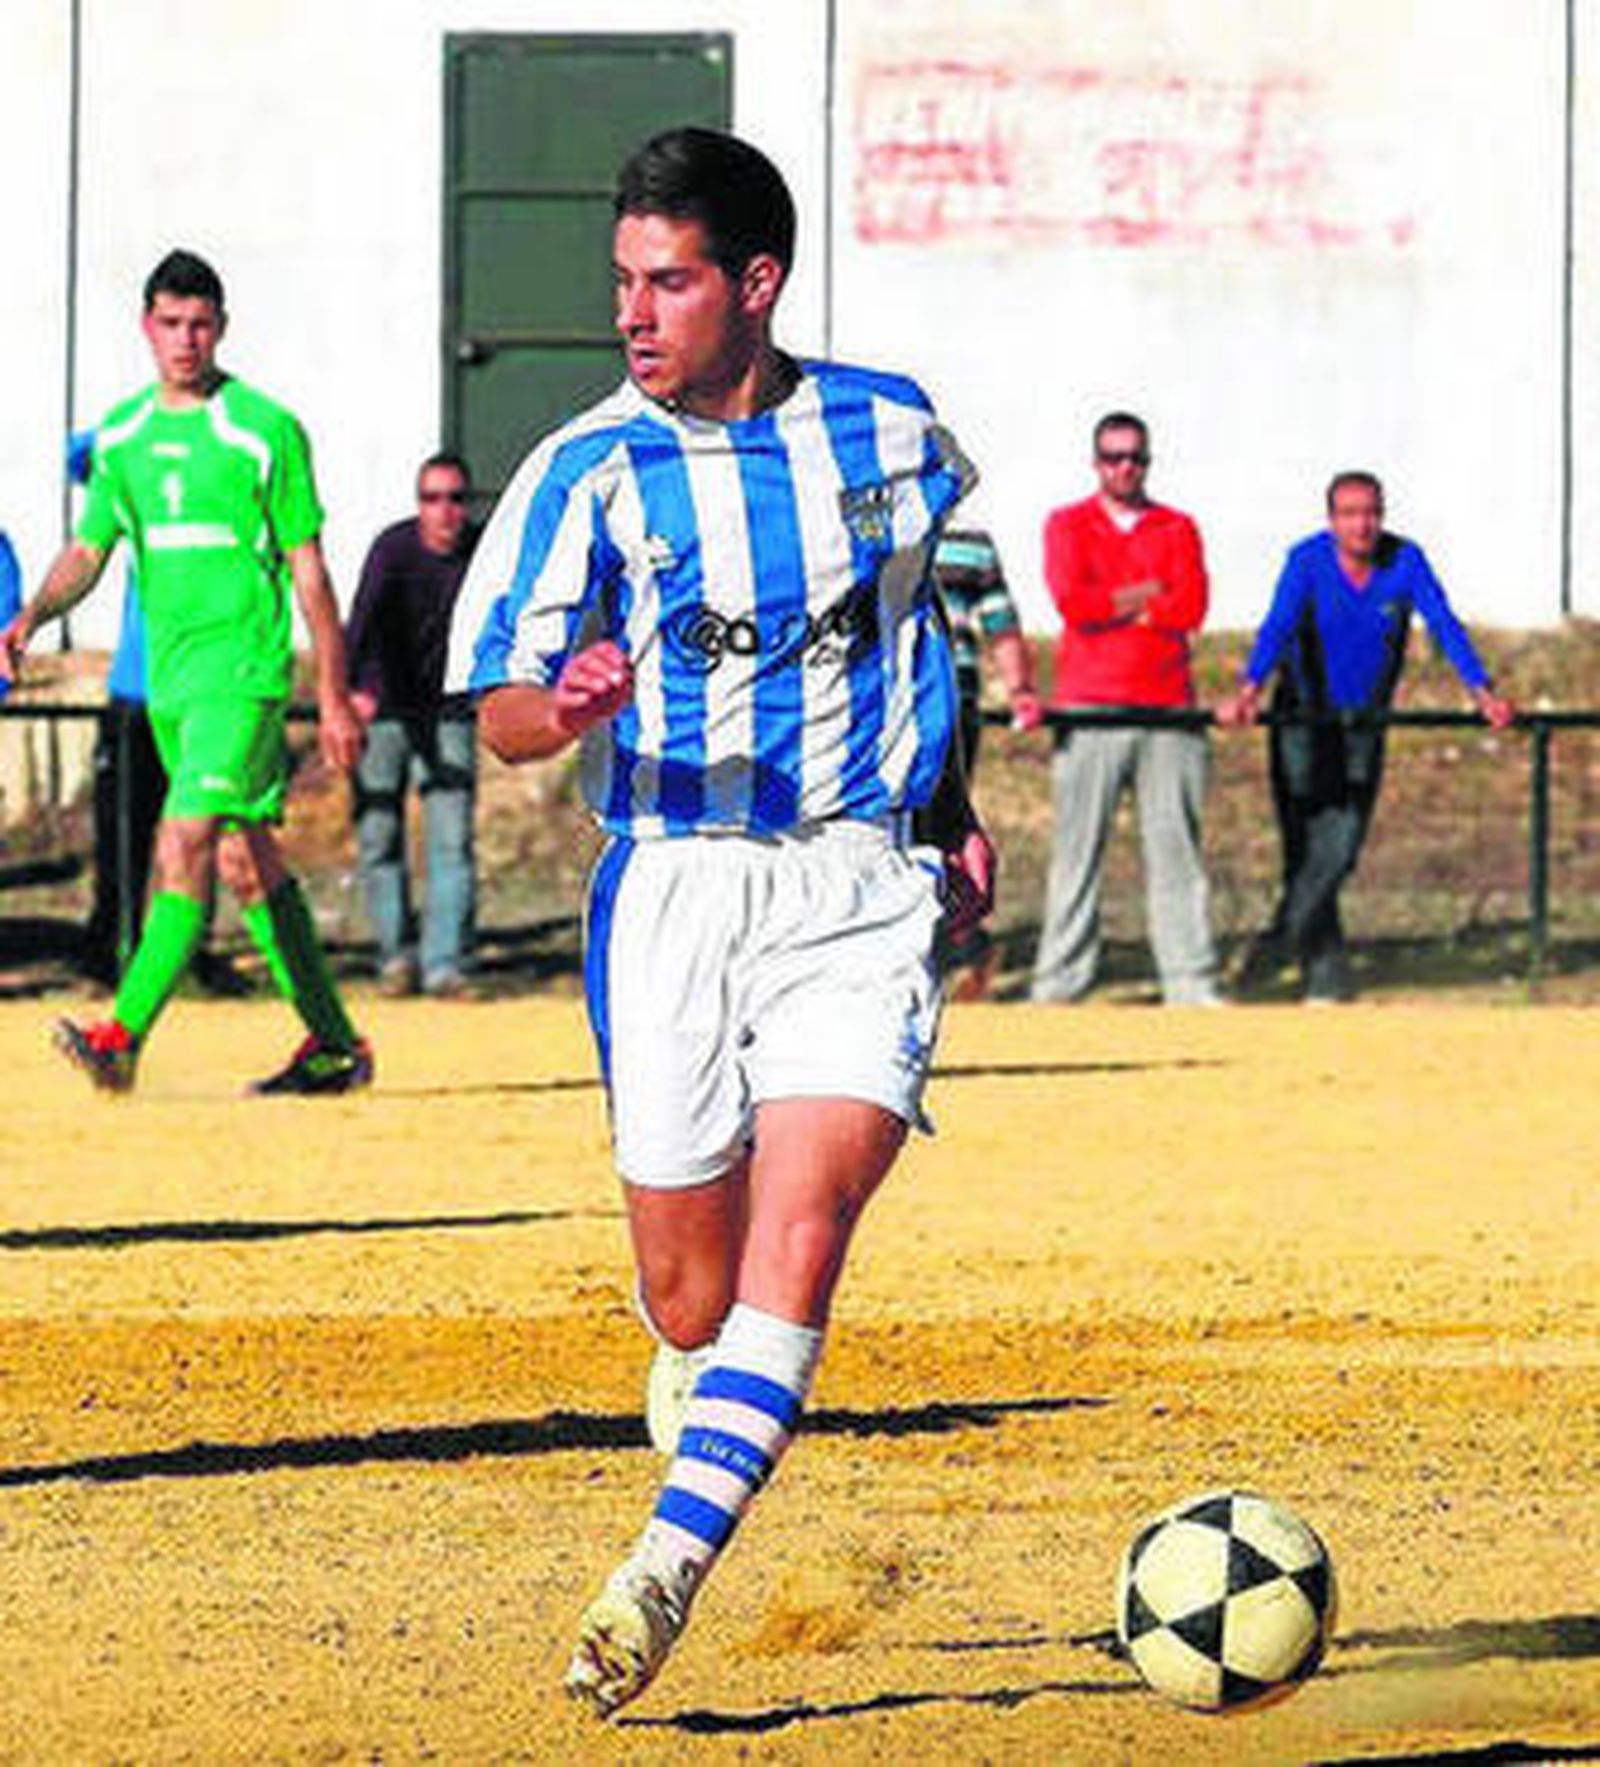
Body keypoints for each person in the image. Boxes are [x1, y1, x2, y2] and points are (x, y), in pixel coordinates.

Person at [447, 125, 994, 1719]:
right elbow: (499, 714)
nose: (634, 312)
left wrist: (948, 806)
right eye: (623, 281)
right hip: (675, 888)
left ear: (756, 283)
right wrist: (564, 705)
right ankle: (709, 1384)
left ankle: (658, 1574)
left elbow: (922, 621)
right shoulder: (586, 468)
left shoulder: (895, 435)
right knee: (693, 1300)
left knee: (801, 1230)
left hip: (858, 885)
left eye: (668, 281)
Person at [0, 249, 371, 1094]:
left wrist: (332, 691)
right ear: (147, 326)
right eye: (171, 323)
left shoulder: (262, 429)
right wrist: (31, 616)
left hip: (241, 673)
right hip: (169, 684)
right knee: (248, 862)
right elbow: (89, 551)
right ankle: (335, 1044)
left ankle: (120, 1034)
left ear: (221, 328)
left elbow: (309, 568)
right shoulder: (123, 437)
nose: (186, 339)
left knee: (185, 839)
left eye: (200, 323)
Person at [1217, 471, 1517, 1001]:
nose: (1363, 525)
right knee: (1305, 843)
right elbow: (1278, 625)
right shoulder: (1306, 559)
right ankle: (1324, 973)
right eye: (1350, 514)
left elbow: (1443, 623)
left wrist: (1481, 689)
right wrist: (1249, 688)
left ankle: (1277, 943)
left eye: (1371, 512)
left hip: (1363, 723)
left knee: (1342, 845)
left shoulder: (1405, 560)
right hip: (1305, 721)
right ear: (1332, 520)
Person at [1030, 411, 1220, 1005]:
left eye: (1136, 457)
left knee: (1177, 856)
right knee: (1076, 857)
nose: (1125, 468)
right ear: (1096, 462)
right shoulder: (1067, 524)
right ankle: (1060, 983)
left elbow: (1191, 606)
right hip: (1091, 708)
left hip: (1169, 707)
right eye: (1113, 457)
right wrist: (1144, 595)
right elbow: (1074, 603)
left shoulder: (1178, 526)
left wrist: (1125, 603)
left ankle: (1190, 981)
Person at [345, 451, 480, 998]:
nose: (444, 511)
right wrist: (351, 695)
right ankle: (394, 960)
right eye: (431, 499)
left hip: (449, 711)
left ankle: (444, 965)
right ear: (417, 504)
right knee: (378, 834)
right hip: (385, 710)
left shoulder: (483, 550)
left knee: (452, 841)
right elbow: (361, 624)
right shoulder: (392, 550)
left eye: (454, 499)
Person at [929, 525, 1041, 993]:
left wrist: (1021, 690)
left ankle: (965, 945)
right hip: (879, 700)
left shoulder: (972, 545)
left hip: (955, 701)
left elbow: (1001, 622)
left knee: (944, 828)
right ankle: (962, 946)